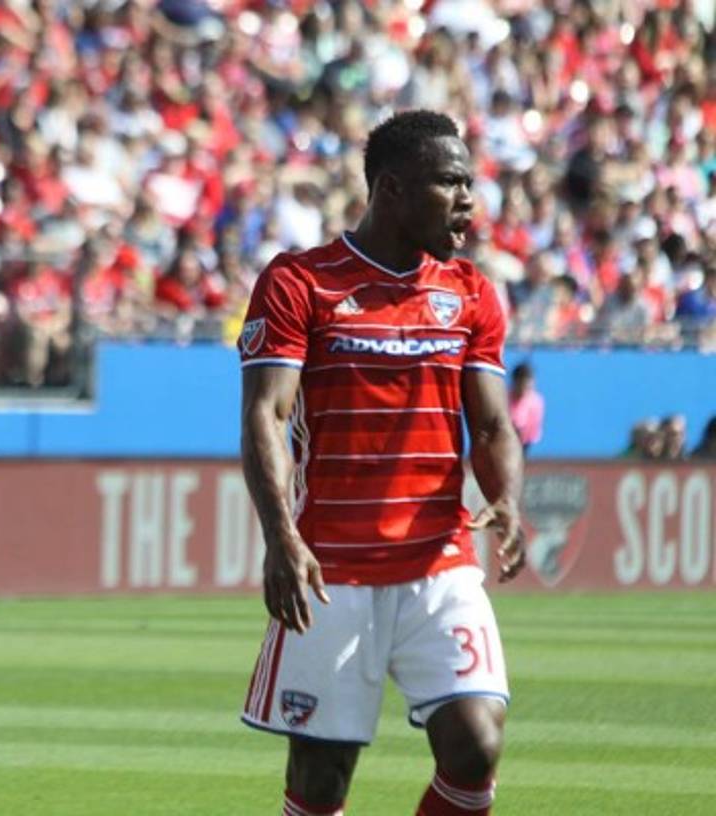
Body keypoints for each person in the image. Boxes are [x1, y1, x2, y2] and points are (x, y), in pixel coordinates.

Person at [237, 110, 525, 816]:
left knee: (477, 746)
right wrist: (281, 537)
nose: (467, 200)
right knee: (322, 781)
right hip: (333, 570)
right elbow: (266, 415)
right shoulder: (300, 282)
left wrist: (508, 498)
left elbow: (490, 423)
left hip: (440, 561)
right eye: (449, 183)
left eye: (469, 182)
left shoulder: (470, 293)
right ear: (391, 189)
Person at [507, 362, 545, 452]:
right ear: (515, 382)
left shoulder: (536, 401)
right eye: (521, 383)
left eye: (528, 384)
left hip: (524, 442)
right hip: (505, 440)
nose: (524, 387)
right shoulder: (503, 397)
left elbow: (533, 430)